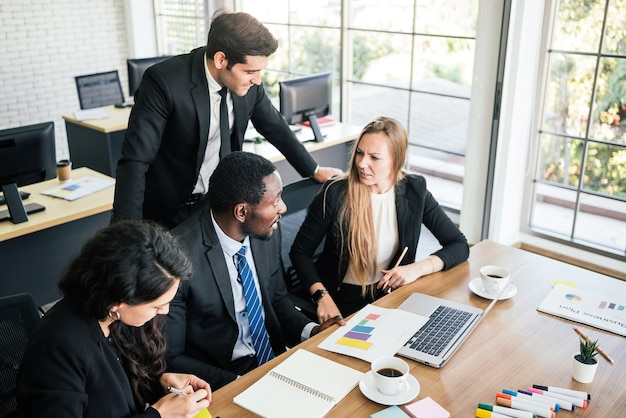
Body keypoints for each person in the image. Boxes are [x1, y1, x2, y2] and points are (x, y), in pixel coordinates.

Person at [112, 10, 342, 228]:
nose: (258, 80)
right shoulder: (164, 82)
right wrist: (125, 233)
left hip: (219, 203)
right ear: (221, 60)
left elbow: (275, 127)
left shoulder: (248, 86)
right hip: (170, 206)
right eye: (250, 72)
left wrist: (313, 169)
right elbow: (135, 160)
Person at [165, 151, 344, 390]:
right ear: (241, 212)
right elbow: (172, 358)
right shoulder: (175, 257)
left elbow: (277, 299)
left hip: (273, 359)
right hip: (220, 377)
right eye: (275, 201)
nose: (283, 208)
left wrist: (312, 331)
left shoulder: (266, 229)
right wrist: (243, 385)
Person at [16, 221, 212, 418]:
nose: (164, 311)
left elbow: (119, 391)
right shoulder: (59, 347)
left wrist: (160, 384)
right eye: (156, 305)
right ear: (117, 300)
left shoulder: (119, 320)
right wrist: (159, 415)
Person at [290, 116, 470, 321]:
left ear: (397, 160)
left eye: (374, 157)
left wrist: (417, 269)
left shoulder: (414, 189)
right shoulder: (335, 192)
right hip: (340, 299)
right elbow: (300, 253)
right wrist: (321, 296)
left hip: (391, 296)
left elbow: (459, 245)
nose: (362, 163)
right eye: (359, 153)